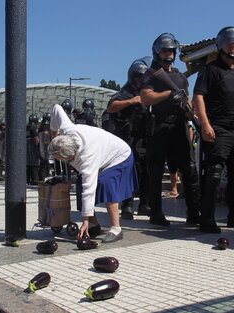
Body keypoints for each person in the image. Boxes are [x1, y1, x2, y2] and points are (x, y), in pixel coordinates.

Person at [193, 26, 234, 233]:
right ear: (220, 45)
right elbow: (198, 97)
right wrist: (205, 125)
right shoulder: (210, 70)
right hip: (218, 128)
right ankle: (207, 218)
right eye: (230, 43)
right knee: (214, 174)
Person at [49, 104, 136, 242]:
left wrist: (84, 220)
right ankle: (94, 225)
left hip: (119, 155)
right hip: (103, 154)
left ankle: (116, 228)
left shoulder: (87, 158)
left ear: (71, 156)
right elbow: (56, 108)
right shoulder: (67, 129)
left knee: (106, 183)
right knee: (79, 184)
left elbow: (89, 190)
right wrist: (54, 132)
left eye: (64, 160)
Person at [140, 32, 200, 226]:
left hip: (180, 126)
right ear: (158, 52)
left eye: (171, 50)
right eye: (165, 50)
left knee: (189, 170)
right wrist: (167, 95)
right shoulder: (151, 73)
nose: (169, 53)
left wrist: (192, 115)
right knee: (156, 171)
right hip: (160, 125)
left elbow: (187, 99)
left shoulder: (181, 77)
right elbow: (146, 98)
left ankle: (193, 214)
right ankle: (156, 213)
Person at [106, 57, 152, 219]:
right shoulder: (125, 92)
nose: (142, 80)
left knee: (146, 171)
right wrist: (131, 101)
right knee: (129, 171)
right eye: (139, 77)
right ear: (132, 77)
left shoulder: (147, 91)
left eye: (144, 78)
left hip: (144, 138)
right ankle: (127, 205)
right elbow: (111, 107)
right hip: (128, 138)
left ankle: (145, 204)